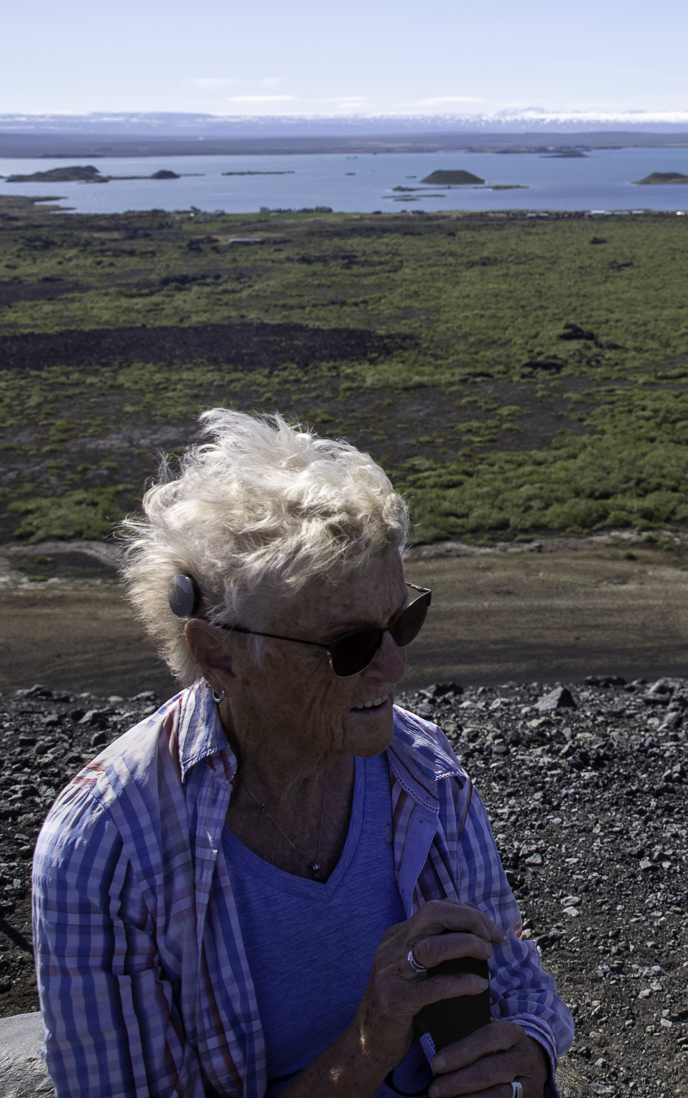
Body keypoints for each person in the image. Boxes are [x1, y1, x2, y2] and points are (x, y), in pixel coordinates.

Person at [32, 410, 572, 1097]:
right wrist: (367, 1046)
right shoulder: (109, 847)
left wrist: (529, 1051)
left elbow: (516, 973)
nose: (394, 666)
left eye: (402, 621)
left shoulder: (421, 767)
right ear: (218, 651)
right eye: (349, 646)